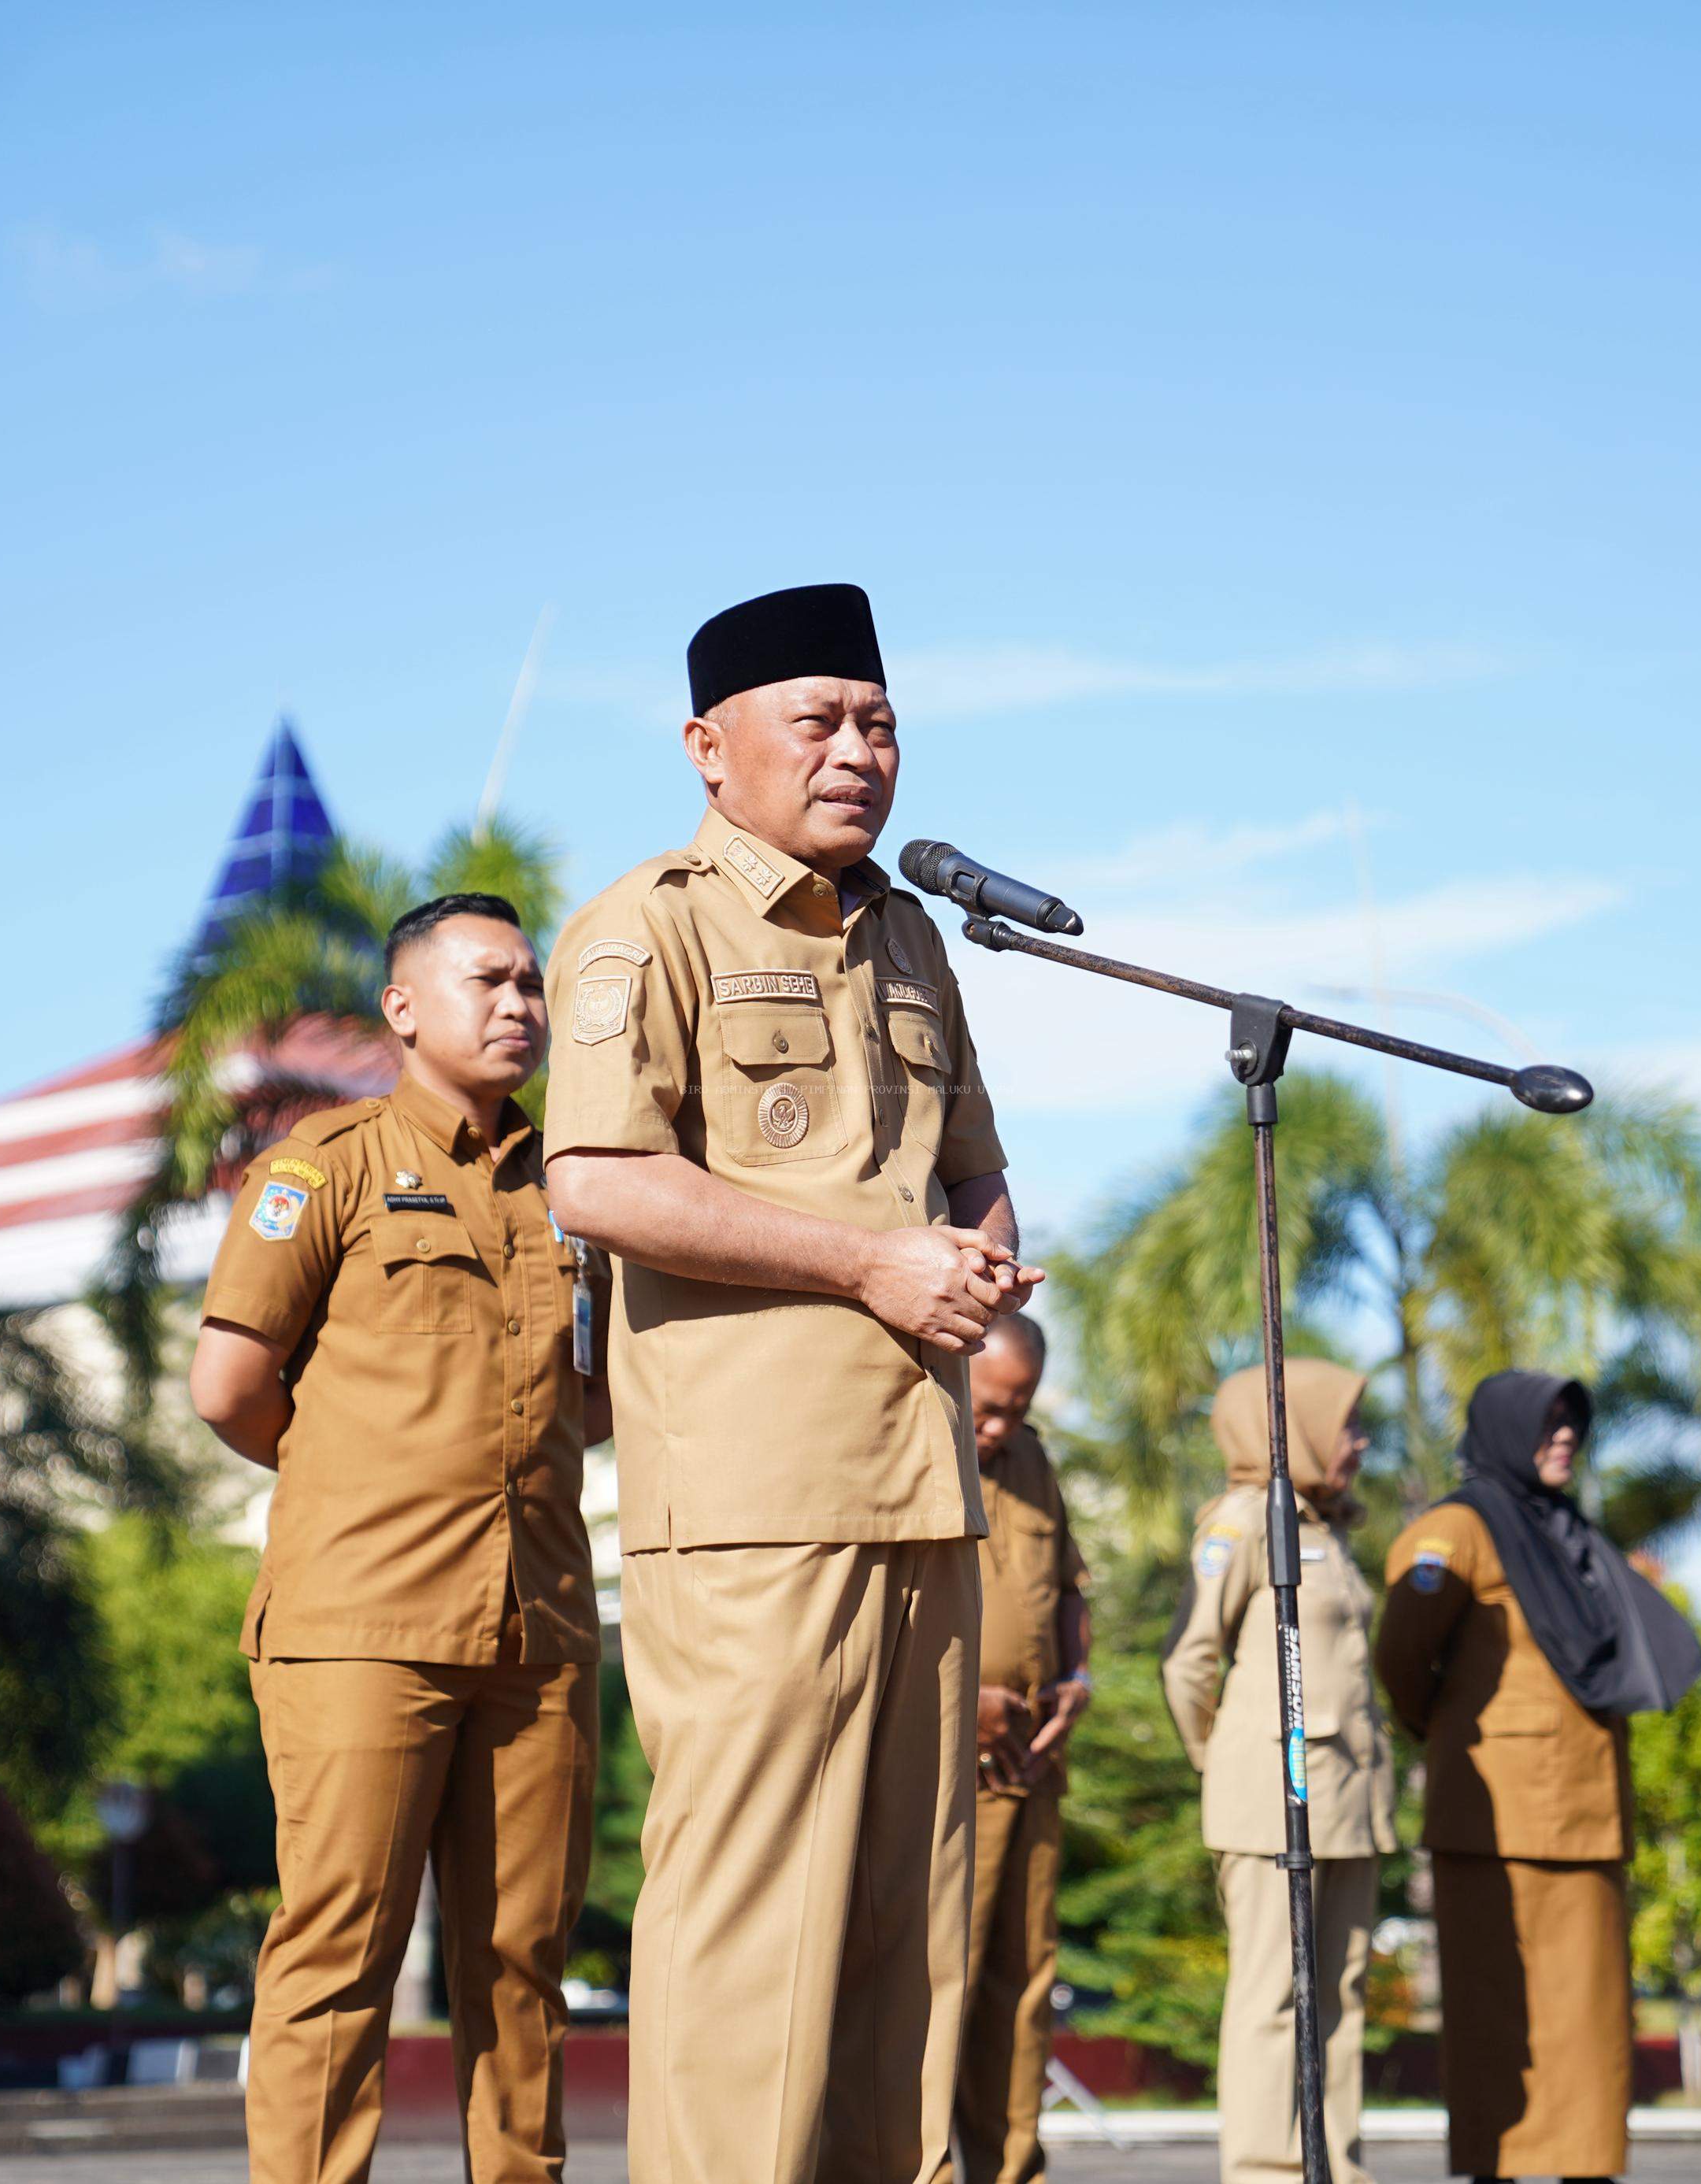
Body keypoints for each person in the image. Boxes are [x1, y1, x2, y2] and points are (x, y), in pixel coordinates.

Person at [542, 581, 1035, 2184]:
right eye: (816, 720)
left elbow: (971, 1172)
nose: (857, 752)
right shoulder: (650, 923)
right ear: (708, 746)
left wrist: (976, 1263)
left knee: (913, 1936)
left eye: (879, 722)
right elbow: (600, 1179)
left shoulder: (907, 936)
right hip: (752, 1500)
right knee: (754, 1930)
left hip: (920, 1487)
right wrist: (868, 1264)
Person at [188, 893, 606, 2184]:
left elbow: (582, 1401)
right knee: (338, 1953)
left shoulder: (580, 1185)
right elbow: (228, 1384)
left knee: (522, 1963)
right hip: (363, 1626)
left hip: (536, 1632)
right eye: (489, 978)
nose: (520, 1002)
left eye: (532, 982)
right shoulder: (332, 1161)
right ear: (405, 1006)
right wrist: (360, 1478)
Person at [1373, 1372, 1701, 2184]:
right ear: (1503, 1426)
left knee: (1588, 2021)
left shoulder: (1568, 1532)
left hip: (1587, 1815)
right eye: (1547, 1422)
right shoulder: (1457, 1528)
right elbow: (1400, 1655)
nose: (1563, 1436)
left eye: (1571, 1423)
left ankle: (1585, 2168)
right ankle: (1499, 2168)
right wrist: (1450, 1735)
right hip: (1492, 1821)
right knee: (1498, 2016)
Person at [1162, 1360, 1400, 2184]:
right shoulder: (1243, 1520)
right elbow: (1188, 1664)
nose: (1360, 1442)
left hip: (1346, 1802)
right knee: (1271, 1999)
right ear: (1293, 1424)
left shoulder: (1324, 1527)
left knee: (1337, 1996)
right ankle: (1264, 2170)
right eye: (1346, 1425)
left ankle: (1332, 2164)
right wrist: (1229, 1760)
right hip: (1274, 1802)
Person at [947, 1313, 1091, 2184]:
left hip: (1031, 1765)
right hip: (944, 1768)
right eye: (990, 1406)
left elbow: (1067, 1581)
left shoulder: (1033, 1461)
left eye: (1019, 1407)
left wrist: (1076, 1674)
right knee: (938, 1987)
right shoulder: (910, 1432)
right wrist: (963, 1696)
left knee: (1021, 1988)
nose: (999, 1426)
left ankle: (1009, 2171)